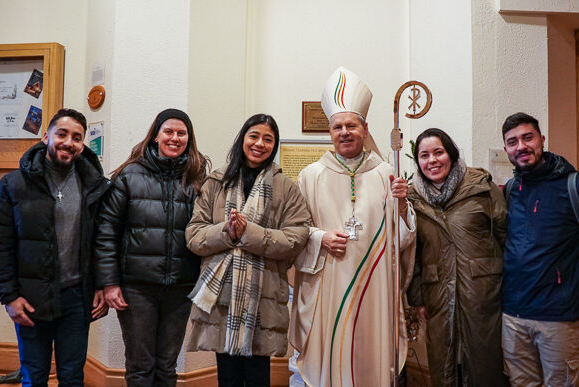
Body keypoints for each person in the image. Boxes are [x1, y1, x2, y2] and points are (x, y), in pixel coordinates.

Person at [289, 67, 416, 387]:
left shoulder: (387, 173)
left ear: (365, 127)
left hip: (376, 288)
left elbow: (402, 239)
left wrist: (402, 205)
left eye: (351, 125)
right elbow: (296, 230)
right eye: (338, 127)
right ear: (329, 132)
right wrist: (320, 238)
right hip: (328, 287)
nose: (344, 132)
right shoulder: (310, 176)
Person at [185, 113, 310, 386]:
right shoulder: (216, 182)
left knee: (257, 377)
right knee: (227, 376)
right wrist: (226, 233)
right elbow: (193, 235)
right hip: (222, 298)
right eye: (253, 136)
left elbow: (297, 237)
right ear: (242, 138)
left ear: (274, 145)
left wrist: (249, 234)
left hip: (263, 297)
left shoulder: (286, 187)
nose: (259, 144)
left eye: (268, 139)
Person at [95, 108, 210, 386]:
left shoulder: (198, 180)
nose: (174, 138)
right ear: (156, 136)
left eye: (181, 133)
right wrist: (109, 283)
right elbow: (106, 232)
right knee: (140, 367)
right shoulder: (129, 176)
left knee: (167, 367)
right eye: (168, 131)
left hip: (181, 287)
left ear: (189, 138)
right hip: (137, 288)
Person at [0, 108, 110, 386]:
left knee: (72, 376)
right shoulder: (13, 184)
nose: (68, 142)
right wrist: (9, 297)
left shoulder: (94, 185)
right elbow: (2, 244)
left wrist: (102, 285)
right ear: (46, 135)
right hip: (30, 296)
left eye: (76, 137)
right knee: (34, 376)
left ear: (82, 145)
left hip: (76, 297)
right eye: (62, 134)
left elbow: (102, 241)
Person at [406, 128, 508, 386]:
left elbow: (507, 238)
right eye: (424, 155)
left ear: (450, 154)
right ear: (417, 161)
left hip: (484, 293)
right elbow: (413, 253)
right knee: (444, 365)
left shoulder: (481, 188)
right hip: (437, 295)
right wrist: (418, 298)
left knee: (485, 363)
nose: (432, 161)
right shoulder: (412, 199)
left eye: (438, 152)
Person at [500, 112, 579, 387]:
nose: (520, 146)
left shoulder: (571, 185)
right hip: (513, 314)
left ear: (542, 140)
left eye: (527, 137)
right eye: (512, 142)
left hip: (557, 316)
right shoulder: (511, 189)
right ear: (506, 149)